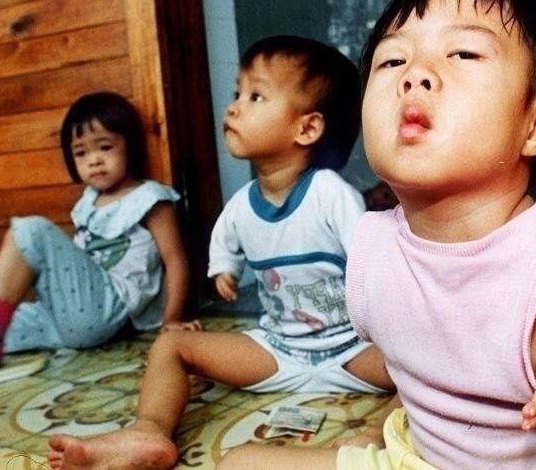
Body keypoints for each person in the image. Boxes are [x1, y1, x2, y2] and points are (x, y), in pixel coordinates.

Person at [218, 0, 536, 469]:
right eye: (393, 60)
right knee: (240, 463)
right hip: (421, 459)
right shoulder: (372, 243)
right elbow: (420, 359)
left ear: (535, 125)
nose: (414, 75)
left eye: (463, 53)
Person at [48, 35, 395, 470]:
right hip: (279, 350)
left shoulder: (330, 193)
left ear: (306, 128)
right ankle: (148, 432)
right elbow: (225, 242)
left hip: (351, 349)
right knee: (173, 345)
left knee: (428, 363)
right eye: (237, 94)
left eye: (255, 96)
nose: (233, 107)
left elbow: (368, 256)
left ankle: (376, 436)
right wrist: (224, 270)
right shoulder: (241, 203)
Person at [0, 91, 193, 376]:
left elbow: (176, 261)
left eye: (104, 147)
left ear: (130, 147)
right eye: (81, 153)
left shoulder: (149, 198)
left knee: (31, 229)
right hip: (66, 320)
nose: (93, 160)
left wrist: (172, 319)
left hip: (111, 312)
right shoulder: (87, 204)